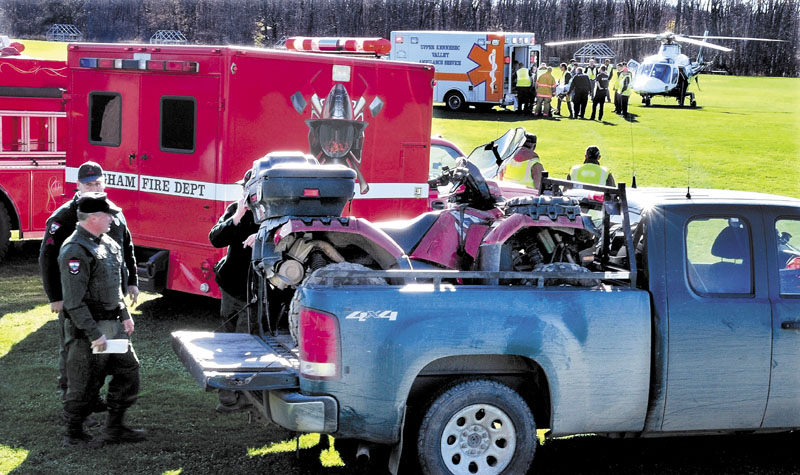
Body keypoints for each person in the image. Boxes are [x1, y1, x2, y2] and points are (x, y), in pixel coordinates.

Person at [39, 161, 138, 421]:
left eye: (98, 183)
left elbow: (126, 245)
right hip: (77, 297)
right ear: (78, 185)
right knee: (73, 350)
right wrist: (56, 296)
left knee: (109, 348)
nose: (94, 188)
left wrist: (132, 281)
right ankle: (72, 401)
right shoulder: (64, 217)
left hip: (109, 293)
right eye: (89, 184)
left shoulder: (111, 213)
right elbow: (48, 258)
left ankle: (93, 398)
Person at [58, 192, 145, 447]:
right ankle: (73, 434)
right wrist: (95, 334)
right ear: (94, 217)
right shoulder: (75, 250)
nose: (113, 220)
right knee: (85, 381)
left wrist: (124, 314)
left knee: (128, 370)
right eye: (108, 215)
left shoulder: (107, 243)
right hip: (91, 330)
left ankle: (114, 428)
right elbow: (73, 302)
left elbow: (114, 285)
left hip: (114, 327)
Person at [208, 169, 259, 413]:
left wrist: (262, 237)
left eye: (247, 188)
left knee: (243, 344)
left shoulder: (275, 214)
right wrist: (236, 217)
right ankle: (227, 397)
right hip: (231, 286)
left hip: (257, 292)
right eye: (243, 188)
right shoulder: (235, 209)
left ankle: (245, 396)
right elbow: (215, 239)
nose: (244, 192)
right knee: (226, 342)